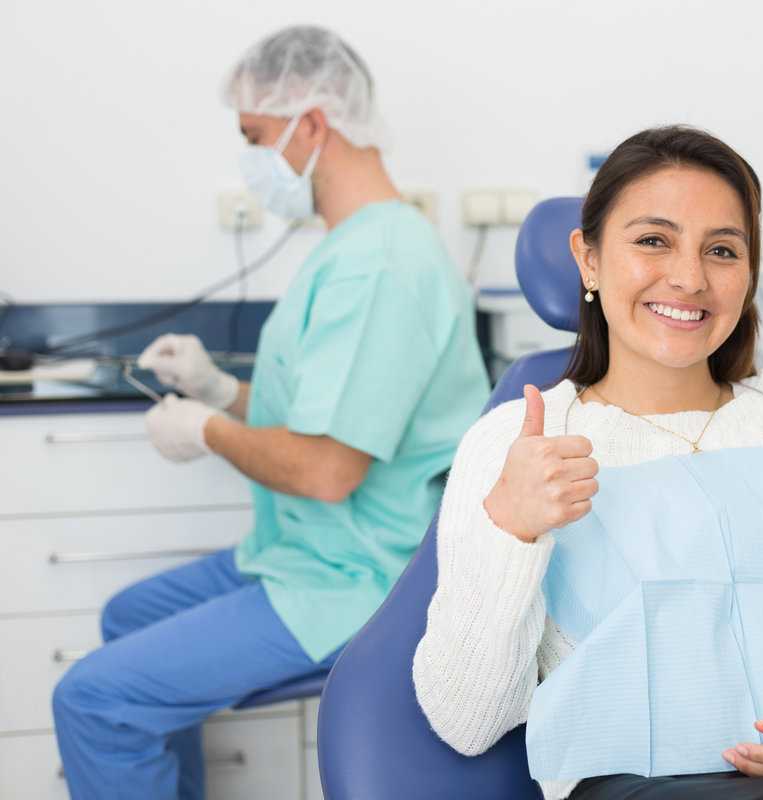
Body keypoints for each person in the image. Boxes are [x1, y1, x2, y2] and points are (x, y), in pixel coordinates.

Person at [413, 125, 763, 800]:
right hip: (638, 785)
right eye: (653, 240)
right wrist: (510, 528)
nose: (690, 278)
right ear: (589, 259)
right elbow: (467, 722)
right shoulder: (515, 445)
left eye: (721, 250)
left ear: (749, 273)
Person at [52, 25, 491, 799]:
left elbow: (325, 469)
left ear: (313, 124)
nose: (252, 161)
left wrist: (207, 430)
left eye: (255, 137)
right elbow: (323, 415)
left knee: (94, 698)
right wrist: (221, 390)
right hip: (309, 550)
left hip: (361, 577)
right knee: (128, 616)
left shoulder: (382, 266)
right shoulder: (353, 246)